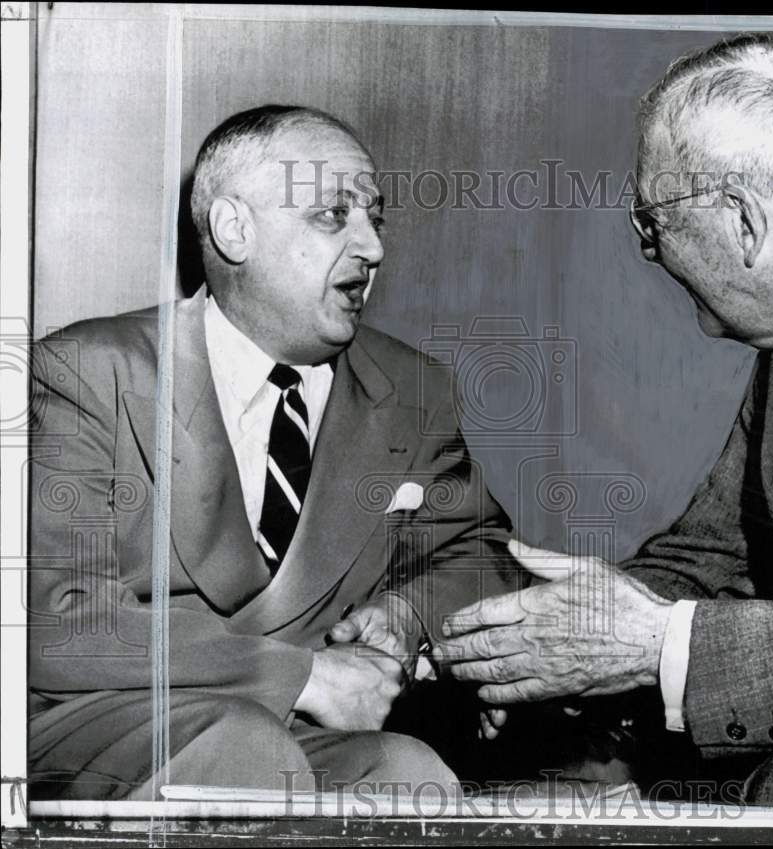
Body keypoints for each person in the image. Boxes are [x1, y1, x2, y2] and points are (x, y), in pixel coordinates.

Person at [437, 35, 773, 813]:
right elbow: (711, 556)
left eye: (651, 224)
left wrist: (657, 645)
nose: (648, 252)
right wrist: (538, 641)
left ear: (744, 222)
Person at [28, 105, 518, 800]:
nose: (373, 246)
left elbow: (479, 552)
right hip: (103, 721)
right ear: (234, 230)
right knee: (244, 751)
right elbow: (61, 621)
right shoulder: (89, 371)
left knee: (407, 774)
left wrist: (406, 615)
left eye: (374, 217)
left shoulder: (414, 390)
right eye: (333, 216)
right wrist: (306, 676)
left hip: (286, 735)